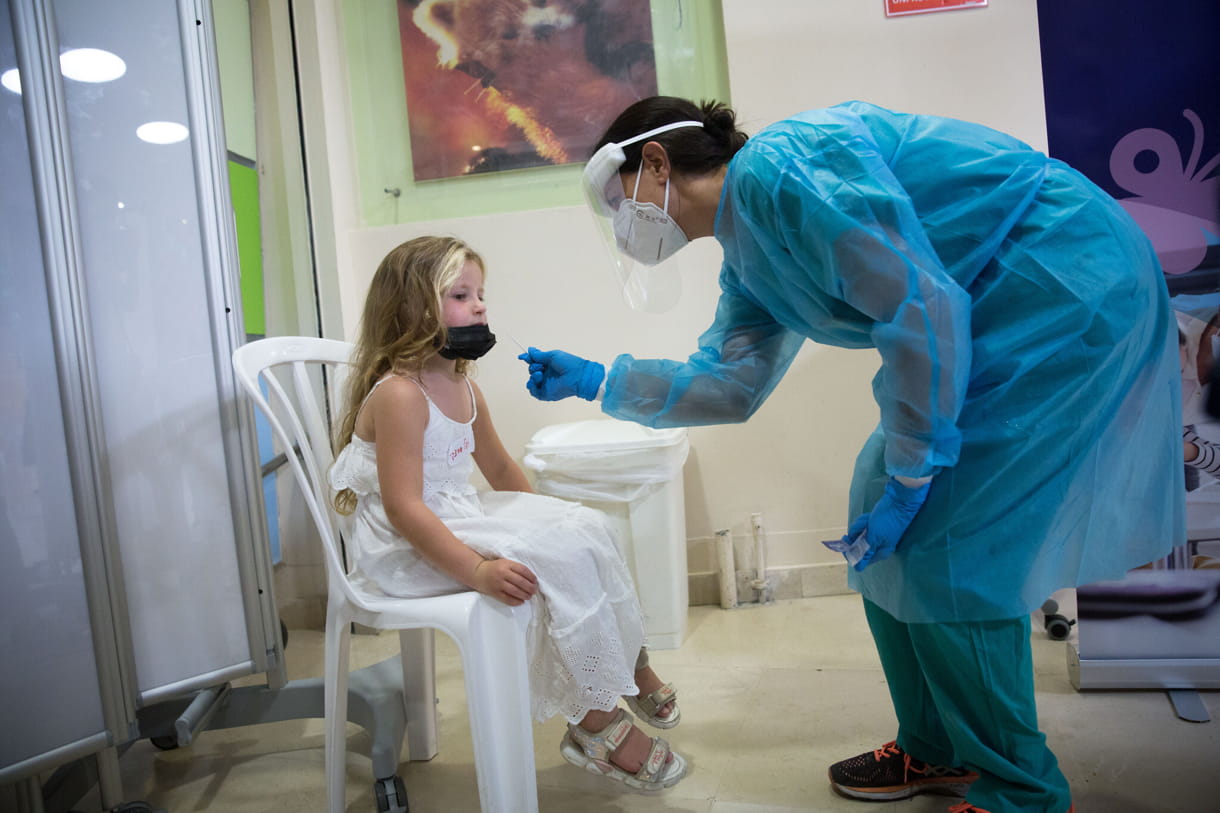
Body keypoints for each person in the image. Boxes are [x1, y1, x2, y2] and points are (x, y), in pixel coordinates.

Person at [519, 97, 1186, 813]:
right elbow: (732, 382)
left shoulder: (783, 167)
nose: (624, 225)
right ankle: (936, 747)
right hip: (988, 309)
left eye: (619, 203)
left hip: (1057, 283)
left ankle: (1020, 791)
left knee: (952, 540)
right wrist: (598, 379)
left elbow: (918, 305)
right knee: (879, 503)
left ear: (655, 163)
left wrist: (916, 471)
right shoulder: (748, 259)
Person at [328, 235, 687, 791]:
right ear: (412, 308)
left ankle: (625, 665)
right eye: (461, 295)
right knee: (546, 564)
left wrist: (550, 520)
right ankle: (594, 721)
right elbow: (402, 509)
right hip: (406, 546)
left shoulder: (460, 384)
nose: (479, 307)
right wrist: (474, 571)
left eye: (480, 295)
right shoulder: (400, 395)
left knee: (582, 527)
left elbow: (498, 468)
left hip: (454, 514)